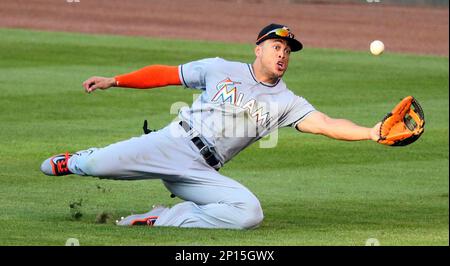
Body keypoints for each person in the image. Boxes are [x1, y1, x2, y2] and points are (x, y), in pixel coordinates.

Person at [41, 23, 381, 229]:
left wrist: (370, 132)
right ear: (258, 49)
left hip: (201, 171)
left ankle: (164, 218)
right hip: (174, 142)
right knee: (96, 165)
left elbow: (325, 123)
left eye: (288, 51)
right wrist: (115, 80)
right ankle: (75, 160)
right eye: (277, 47)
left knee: (249, 214)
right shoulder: (220, 68)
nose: (283, 55)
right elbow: (167, 74)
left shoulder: (287, 102)